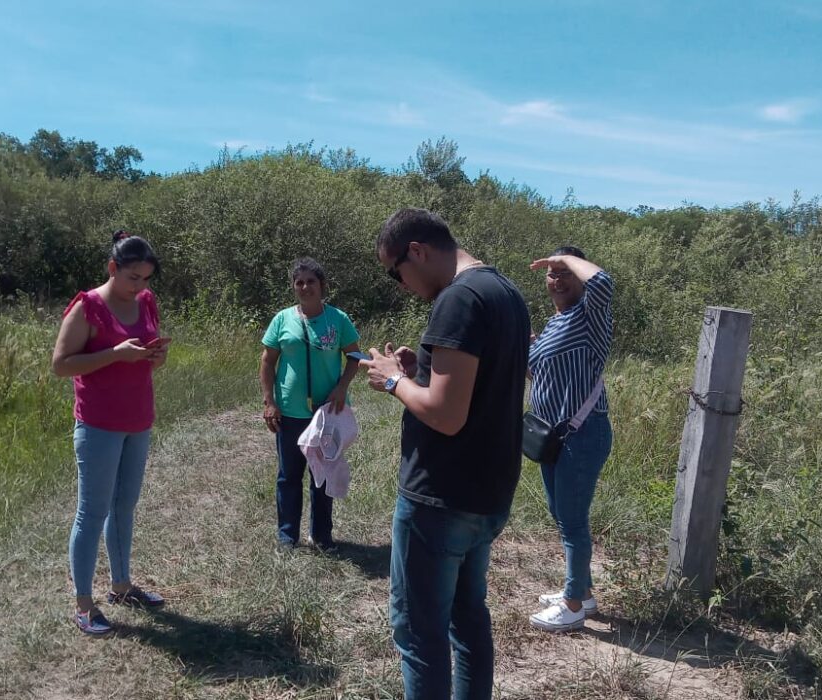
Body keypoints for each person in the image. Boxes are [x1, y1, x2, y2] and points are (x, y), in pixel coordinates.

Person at [362, 208, 530, 700]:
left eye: (396, 273)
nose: (400, 285)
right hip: (487, 491)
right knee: (467, 617)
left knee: (419, 634)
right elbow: (482, 385)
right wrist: (420, 372)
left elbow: (445, 414)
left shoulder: (457, 300)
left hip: (440, 498)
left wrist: (393, 381)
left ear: (416, 251)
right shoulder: (505, 293)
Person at [51, 231, 169, 635]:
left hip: (138, 419)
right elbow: (62, 364)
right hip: (98, 423)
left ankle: (121, 586)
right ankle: (84, 604)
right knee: (92, 511)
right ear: (113, 268)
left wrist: (155, 356)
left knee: (124, 508)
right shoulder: (88, 308)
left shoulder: (147, 302)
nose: (140, 286)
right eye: (133, 277)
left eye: (146, 279)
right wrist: (115, 354)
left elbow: (145, 363)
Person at [526, 246, 614, 633]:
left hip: (582, 433)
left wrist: (560, 259)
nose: (557, 280)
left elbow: (604, 282)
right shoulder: (556, 322)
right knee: (561, 514)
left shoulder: (589, 317)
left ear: (580, 278)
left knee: (573, 520)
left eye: (565, 273)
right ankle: (583, 591)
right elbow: (539, 373)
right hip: (552, 437)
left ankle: (573, 605)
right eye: (551, 274)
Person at [260, 257, 361, 551]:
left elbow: (355, 357)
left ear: (322, 285)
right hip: (289, 412)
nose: (305, 287)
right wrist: (269, 402)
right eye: (299, 282)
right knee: (288, 475)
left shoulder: (338, 319)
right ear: (294, 287)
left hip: (326, 413)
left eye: (311, 282)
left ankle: (321, 536)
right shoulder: (282, 319)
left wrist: (341, 388)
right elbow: (267, 361)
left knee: (323, 474)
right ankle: (287, 536)